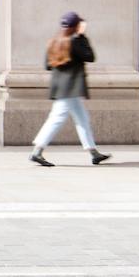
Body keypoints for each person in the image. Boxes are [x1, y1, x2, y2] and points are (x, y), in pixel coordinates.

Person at [31, 11, 110, 167]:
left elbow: (47, 66)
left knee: (82, 118)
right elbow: (90, 56)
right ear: (75, 26)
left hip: (62, 87)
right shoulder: (74, 42)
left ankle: (93, 152)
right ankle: (37, 151)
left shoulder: (54, 41)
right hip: (70, 87)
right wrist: (81, 36)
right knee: (56, 119)